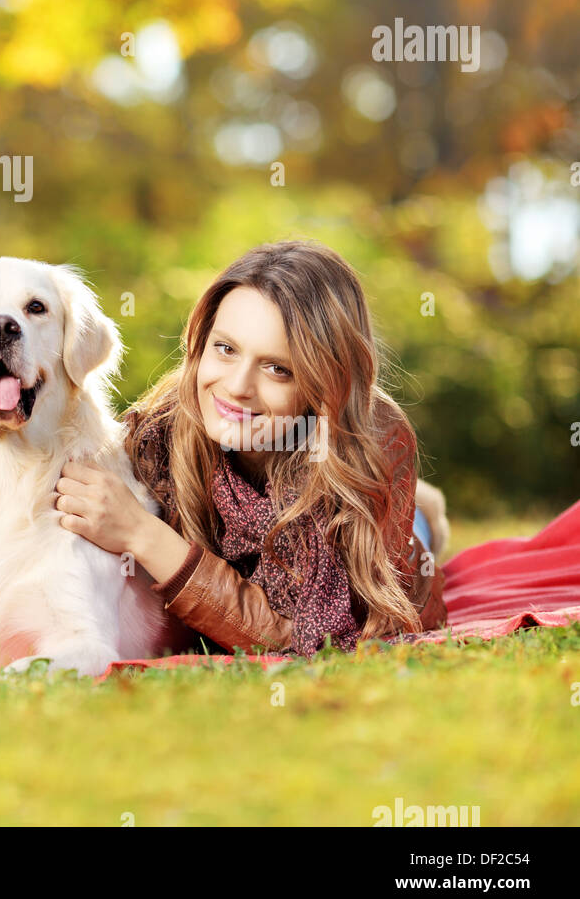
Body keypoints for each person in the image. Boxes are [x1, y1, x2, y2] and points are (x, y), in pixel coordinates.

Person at [53, 239, 447, 656]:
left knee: (415, 531)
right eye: (226, 349)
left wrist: (144, 535)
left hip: (387, 544)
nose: (237, 387)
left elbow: (317, 642)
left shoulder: (373, 444)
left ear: (323, 384)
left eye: (277, 369)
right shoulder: (159, 435)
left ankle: (423, 514)